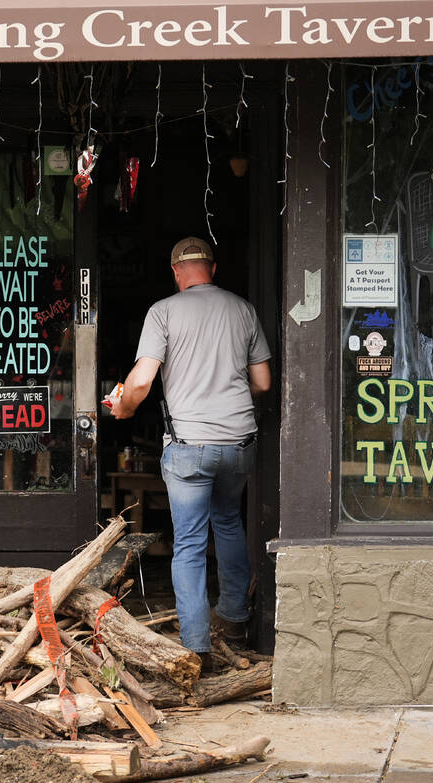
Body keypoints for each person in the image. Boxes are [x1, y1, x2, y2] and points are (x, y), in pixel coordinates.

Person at [109, 237, 272, 673]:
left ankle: (197, 644)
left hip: (189, 448)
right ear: (212, 269)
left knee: (190, 544)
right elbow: (263, 382)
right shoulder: (243, 310)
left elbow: (141, 382)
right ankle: (235, 622)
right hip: (239, 443)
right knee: (229, 523)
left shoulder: (163, 311)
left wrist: (123, 407)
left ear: (176, 272)